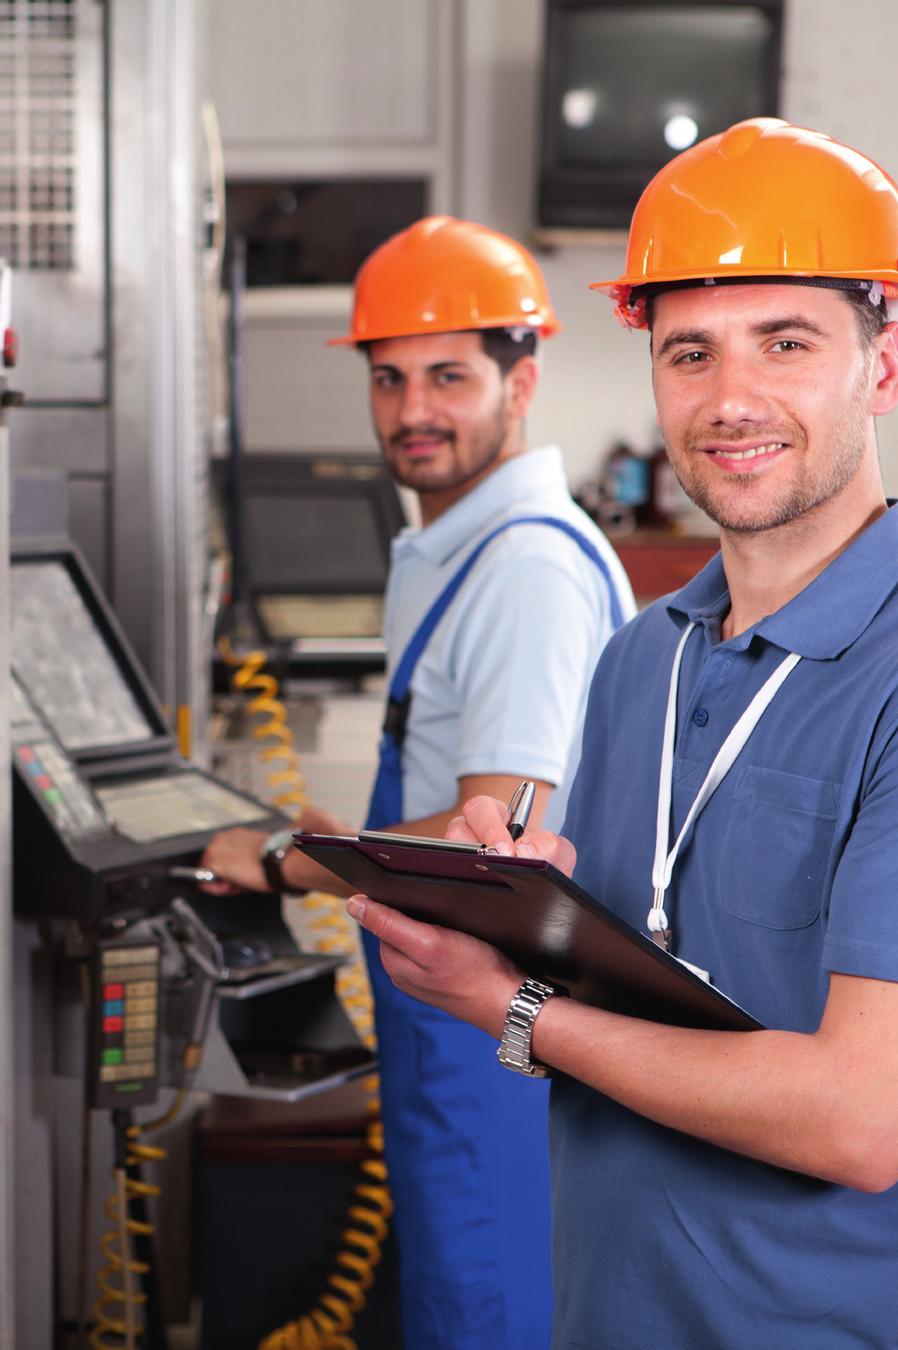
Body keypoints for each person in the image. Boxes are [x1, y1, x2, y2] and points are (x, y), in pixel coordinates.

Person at [345, 120, 898, 1349]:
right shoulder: (639, 658)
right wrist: (527, 910)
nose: (730, 399)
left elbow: (859, 1121)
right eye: (689, 352)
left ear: (883, 366)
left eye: (786, 343)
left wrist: (511, 1006)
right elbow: (646, 977)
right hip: (607, 1308)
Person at [201, 215, 636, 1349]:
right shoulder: (460, 546)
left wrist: (289, 862)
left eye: (449, 375)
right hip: (448, 1015)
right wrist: (361, 836)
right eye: (388, 379)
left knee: (489, 1310)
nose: (412, 411)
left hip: (494, 1029)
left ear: (521, 380)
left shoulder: (527, 565)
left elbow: (493, 836)